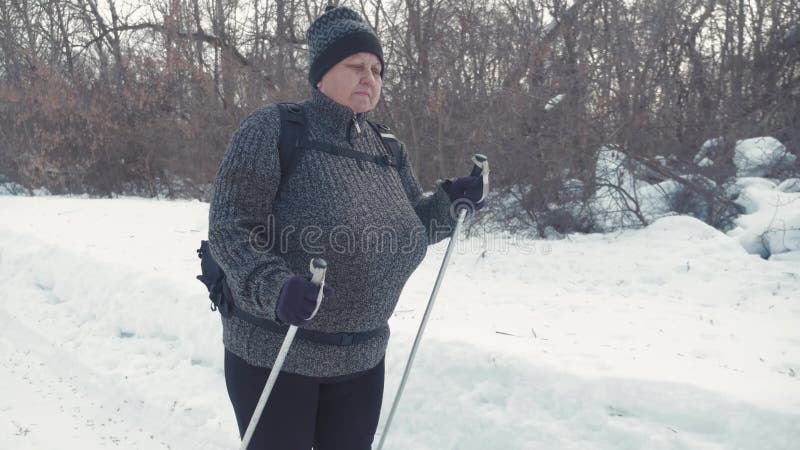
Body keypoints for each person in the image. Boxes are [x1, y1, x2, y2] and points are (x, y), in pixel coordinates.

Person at [207, 5, 487, 449]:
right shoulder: (273, 129)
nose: (369, 77)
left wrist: (452, 203)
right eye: (355, 65)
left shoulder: (387, 148)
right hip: (277, 355)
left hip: (361, 358)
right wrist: (275, 287)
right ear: (321, 75)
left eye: (377, 69)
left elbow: (413, 227)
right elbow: (230, 227)